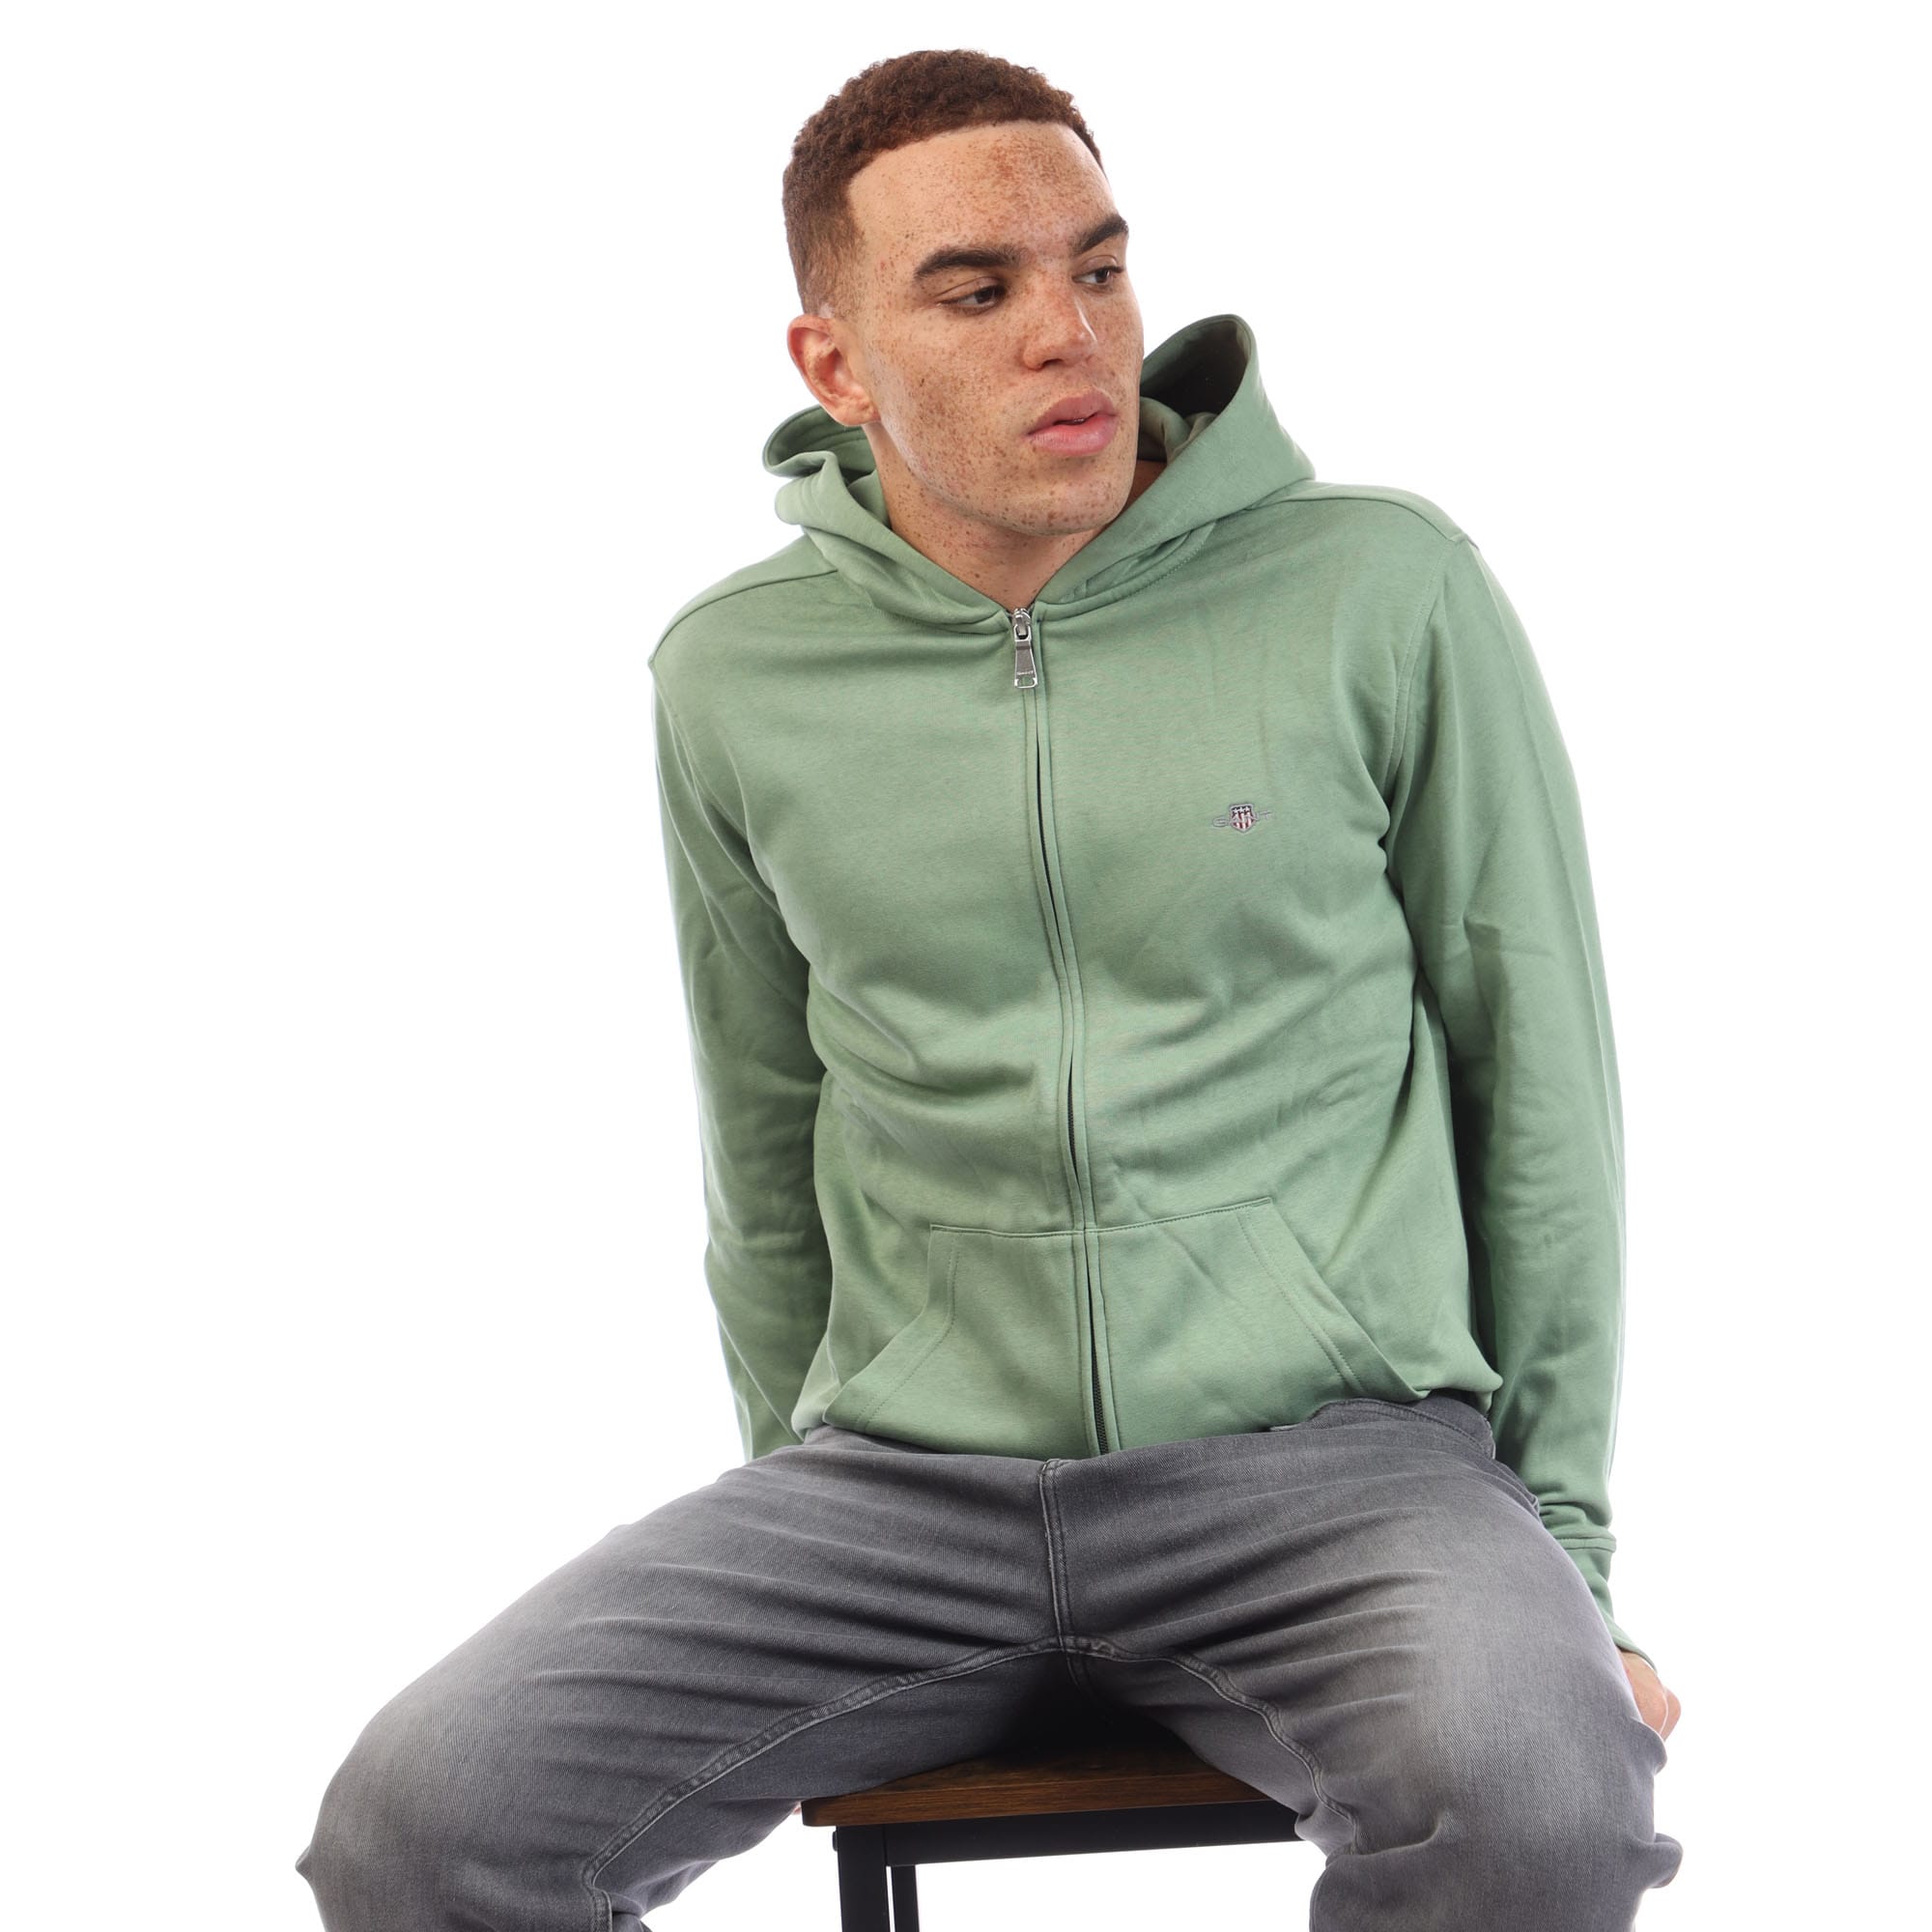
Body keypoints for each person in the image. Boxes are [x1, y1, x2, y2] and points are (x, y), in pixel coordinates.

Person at [296, 47, 1685, 1931]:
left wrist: (1570, 1564)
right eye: (977, 289)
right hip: (906, 1496)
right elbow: (761, 1142)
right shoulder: (735, 674)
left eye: (1099, 267)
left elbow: (1542, 1092)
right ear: (836, 364)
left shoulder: (1382, 589)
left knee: (1544, 1804)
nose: (1072, 333)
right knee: (418, 1822)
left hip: (1340, 1480)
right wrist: (807, 1493)